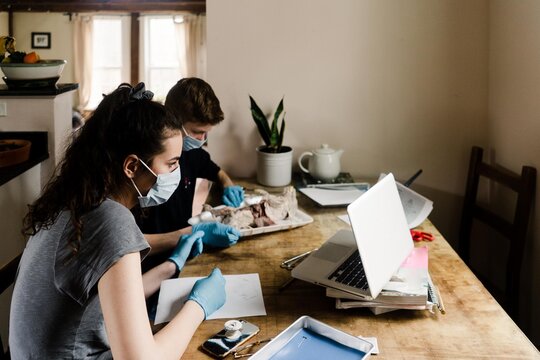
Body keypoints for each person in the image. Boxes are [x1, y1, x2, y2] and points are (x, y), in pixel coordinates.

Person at [9, 83, 226, 359]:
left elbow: (109, 300)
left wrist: (171, 266)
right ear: (132, 166)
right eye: (172, 163)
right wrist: (199, 306)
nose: (177, 171)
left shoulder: (75, 202)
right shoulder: (111, 220)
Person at [136, 78, 243, 264]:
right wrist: (190, 233)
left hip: (180, 254)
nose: (202, 139)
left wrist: (227, 184)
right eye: (197, 132)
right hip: (149, 264)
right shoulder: (146, 164)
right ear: (174, 120)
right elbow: (127, 245)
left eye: (206, 133)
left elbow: (215, 170)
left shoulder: (192, 153)